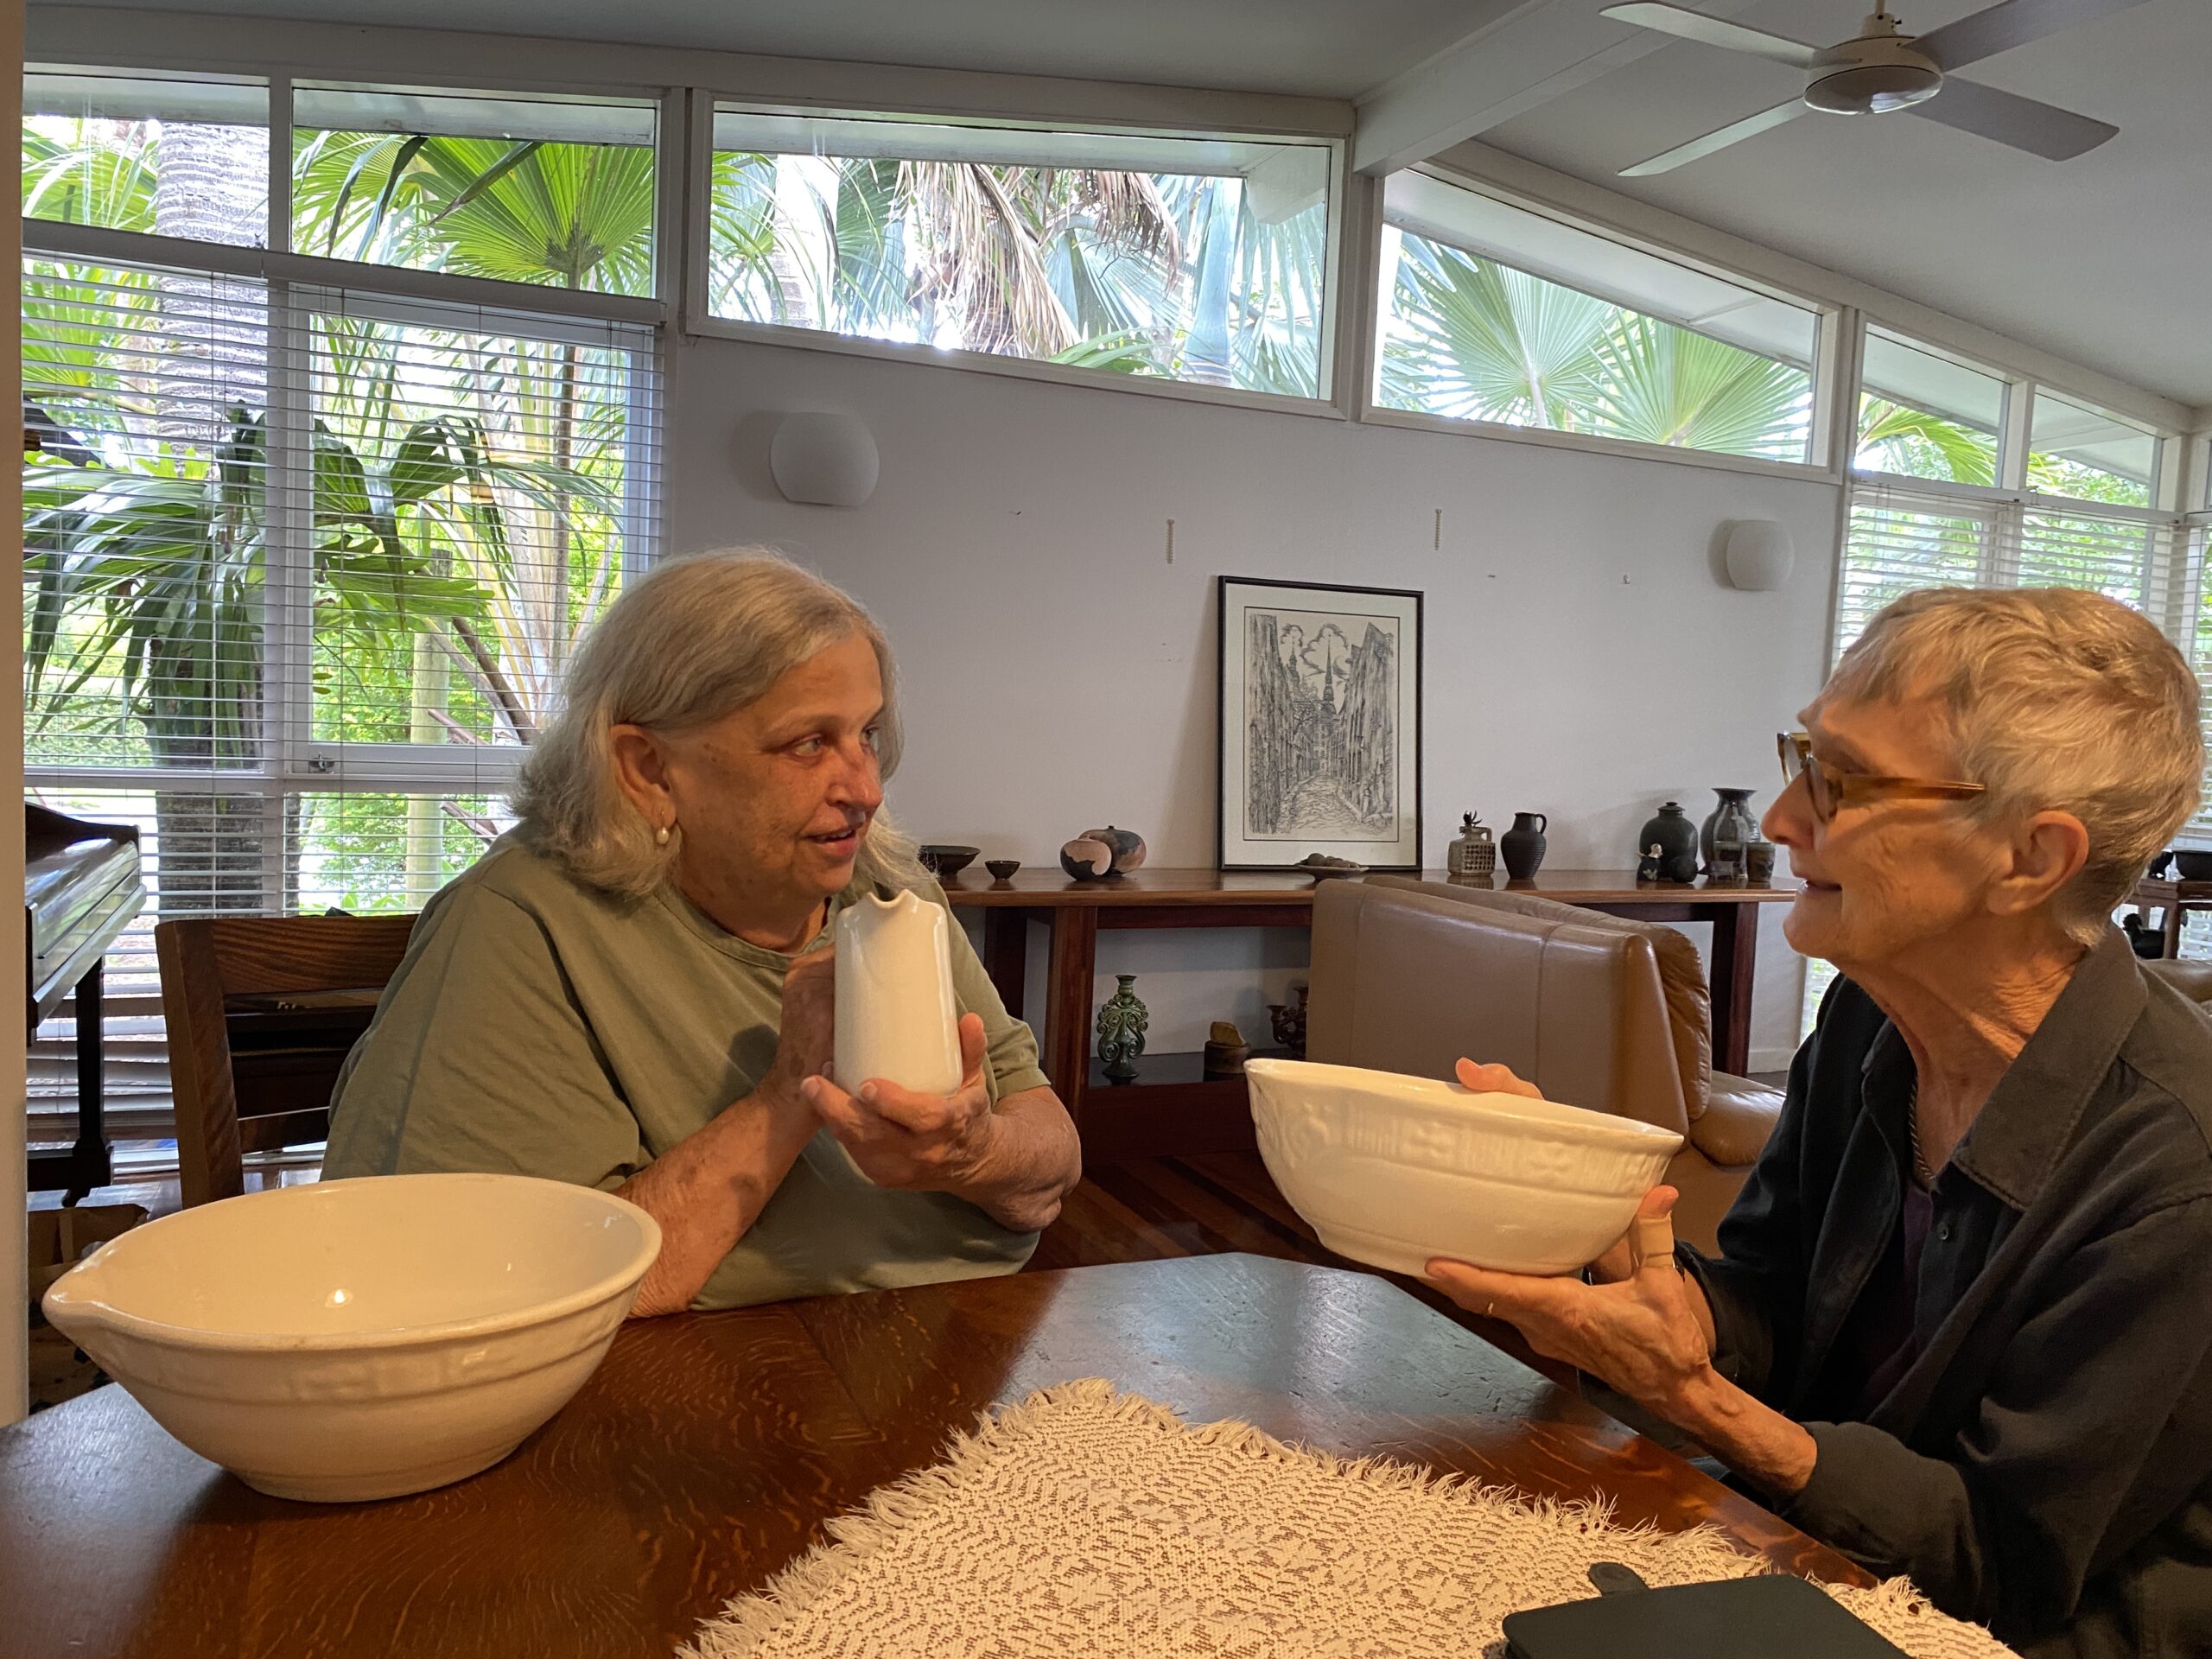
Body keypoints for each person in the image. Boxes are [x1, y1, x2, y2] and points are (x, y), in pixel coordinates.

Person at [1427, 587, 2212, 1657]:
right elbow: (1772, 1304)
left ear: (2031, 859)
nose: (1783, 819)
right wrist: (1583, 1216)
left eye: (1841, 782)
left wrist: (1696, 1402)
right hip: (1813, 1561)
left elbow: (2004, 1563)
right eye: (1802, 757)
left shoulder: (2179, 1169)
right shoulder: (1866, 1017)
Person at [324, 551, 1081, 1316]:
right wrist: (789, 1090)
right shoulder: (522, 923)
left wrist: (973, 1154)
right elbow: (493, 1287)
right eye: (808, 743)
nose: (866, 790)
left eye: (868, 735)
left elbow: (1049, 1157)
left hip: (980, 1324)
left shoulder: (891, 889)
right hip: (720, 1358)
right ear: (649, 768)